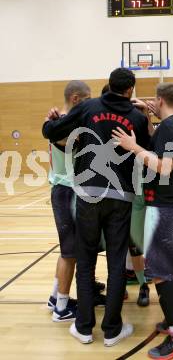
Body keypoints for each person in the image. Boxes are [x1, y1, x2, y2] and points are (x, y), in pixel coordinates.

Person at [42, 68, 149, 346]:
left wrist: (50, 121)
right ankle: (112, 330)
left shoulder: (88, 107)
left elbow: (51, 132)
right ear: (130, 90)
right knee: (116, 263)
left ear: (109, 85)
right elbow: (148, 152)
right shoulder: (137, 117)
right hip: (121, 197)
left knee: (86, 260)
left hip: (88, 194)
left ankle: (84, 327)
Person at [112, 82, 173, 359]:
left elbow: (165, 167)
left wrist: (133, 147)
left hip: (169, 207)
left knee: (160, 272)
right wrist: (147, 118)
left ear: (160, 100)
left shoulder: (171, 127)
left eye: (153, 102)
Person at [47, 80, 91, 322]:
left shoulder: (56, 121)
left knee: (67, 251)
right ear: (76, 99)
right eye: (86, 100)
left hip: (64, 188)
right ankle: (61, 308)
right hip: (67, 190)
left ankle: (55, 297)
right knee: (70, 252)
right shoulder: (64, 124)